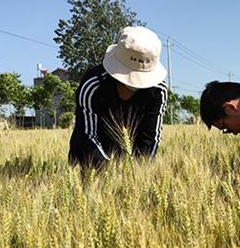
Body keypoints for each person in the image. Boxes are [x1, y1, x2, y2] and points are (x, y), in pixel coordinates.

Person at [68, 26, 168, 171]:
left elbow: (150, 138)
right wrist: (109, 172)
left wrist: (139, 173)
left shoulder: (158, 90)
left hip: (131, 157)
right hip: (90, 152)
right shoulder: (93, 85)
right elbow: (88, 134)